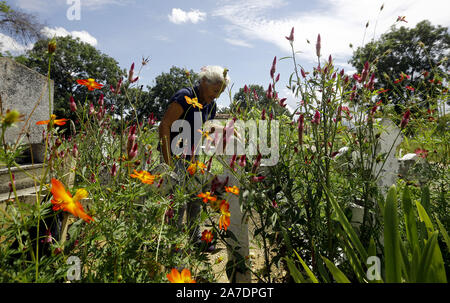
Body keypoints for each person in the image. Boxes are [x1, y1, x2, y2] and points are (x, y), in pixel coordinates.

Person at [158, 65, 230, 245]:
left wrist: (225, 130)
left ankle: (194, 238)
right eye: (215, 90)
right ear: (204, 82)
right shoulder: (185, 96)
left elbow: (203, 128)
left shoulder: (210, 105)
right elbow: (165, 125)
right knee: (179, 201)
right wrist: (168, 163)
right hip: (173, 155)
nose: (217, 95)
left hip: (192, 158)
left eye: (221, 92)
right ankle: (173, 242)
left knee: (196, 197)